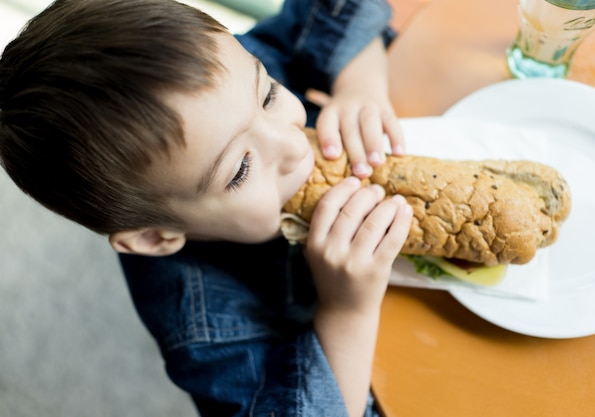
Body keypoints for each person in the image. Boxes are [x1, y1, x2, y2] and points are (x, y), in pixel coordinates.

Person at [0, 0, 413, 416]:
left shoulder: (220, 80)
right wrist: (348, 311)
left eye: (268, 95)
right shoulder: (200, 323)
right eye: (240, 169)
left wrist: (359, 86)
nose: (291, 144)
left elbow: (334, 13)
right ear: (155, 237)